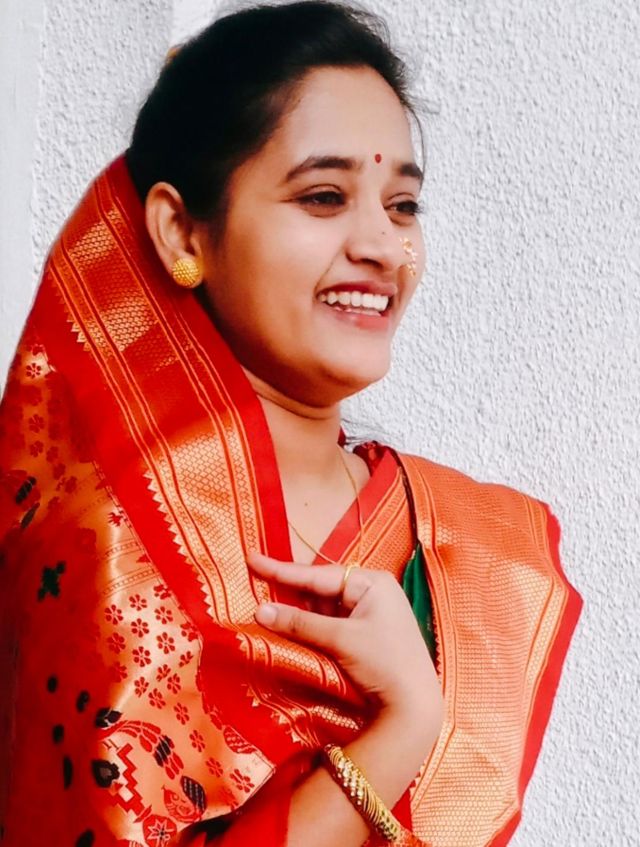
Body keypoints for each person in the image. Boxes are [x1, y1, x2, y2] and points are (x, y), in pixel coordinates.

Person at [0, 3, 582, 845]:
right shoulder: (112, 548)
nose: (381, 246)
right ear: (181, 231)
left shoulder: (478, 547)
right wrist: (403, 726)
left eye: (403, 205)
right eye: (324, 196)